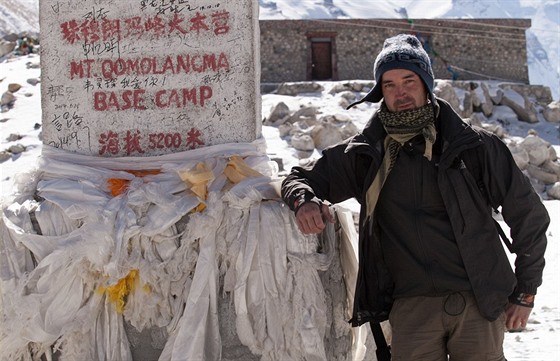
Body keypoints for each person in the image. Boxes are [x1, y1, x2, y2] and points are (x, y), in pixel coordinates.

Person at [281, 33, 549, 360]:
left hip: (478, 303)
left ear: (426, 83)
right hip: (410, 308)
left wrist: (525, 291)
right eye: (390, 84)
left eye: (409, 80)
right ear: (380, 91)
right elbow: (299, 178)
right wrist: (303, 201)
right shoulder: (366, 153)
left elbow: (529, 217)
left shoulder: (474, 147)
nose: (400, 91)